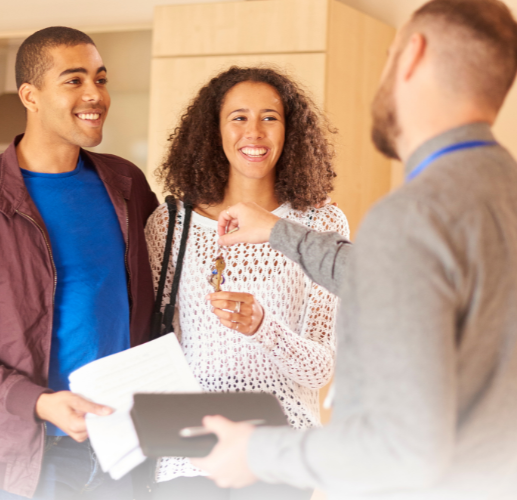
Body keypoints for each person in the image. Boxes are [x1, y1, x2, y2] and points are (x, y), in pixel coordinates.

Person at [189, 1, 517, 499]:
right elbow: (390, 278)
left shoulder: (413, 216)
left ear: (412, 56)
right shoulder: (512, 195)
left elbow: (401, 449)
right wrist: (280, 233)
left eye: (389, 56)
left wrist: (257, 452)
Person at [0, 27, 159, 499]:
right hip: (29, 457)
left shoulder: (126, 183)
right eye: (74, 80)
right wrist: (40, 402)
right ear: (30, 95)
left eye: (101, 79)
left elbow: (163, 290)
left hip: (122, 446)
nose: (95, 94)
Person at [145, 66, 349, 499]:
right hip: (189, 456)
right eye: (238, 117)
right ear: (214, 131)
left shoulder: (320, 222)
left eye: (270, 117)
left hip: (280, 455)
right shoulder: (171, 224)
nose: (254, 132)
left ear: (289, 130)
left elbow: (319, 372)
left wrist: (263, 328)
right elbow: (157, 350)